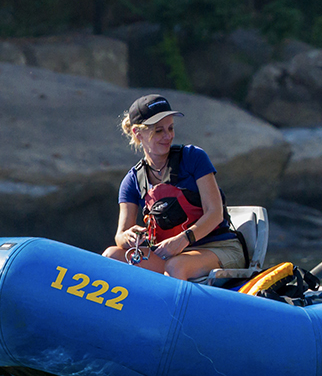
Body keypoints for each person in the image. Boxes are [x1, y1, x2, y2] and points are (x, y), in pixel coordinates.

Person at [102, 94, 246, 280]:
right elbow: (120, 236)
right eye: (159, 131)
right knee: (111, 256)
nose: (168, 136)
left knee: (175, 267)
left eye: (170, 128)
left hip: (220, 249)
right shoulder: (132, 181)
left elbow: (215, 213)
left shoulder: (194, 157)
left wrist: (182, 240)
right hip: (172, 255)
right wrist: (129, 237)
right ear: (138, 133)